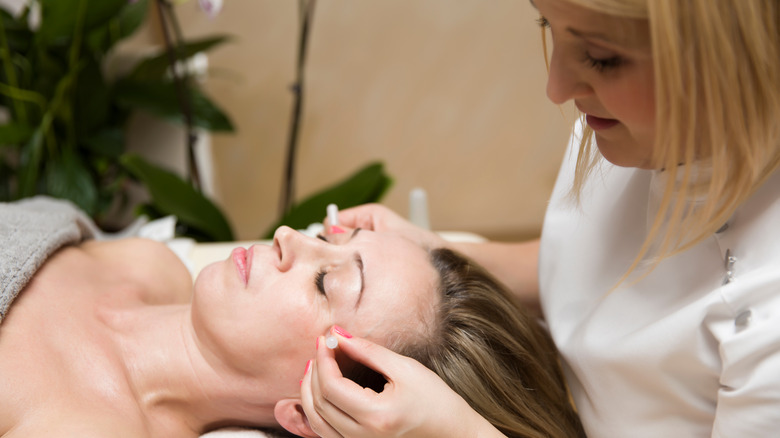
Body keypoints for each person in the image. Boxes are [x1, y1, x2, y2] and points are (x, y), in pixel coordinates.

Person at [302, 0, 780, 436]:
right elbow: (601, 272)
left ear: (737, 55)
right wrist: (431, 250)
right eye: (548, 25)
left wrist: (462, 433)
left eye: (601, 57)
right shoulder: (627, 132)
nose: (557, 88)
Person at [0, 198, 582, 437]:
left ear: (321, 408)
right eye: (327, 238)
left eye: (325, 282)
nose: (285, 238)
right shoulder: (147, 264)